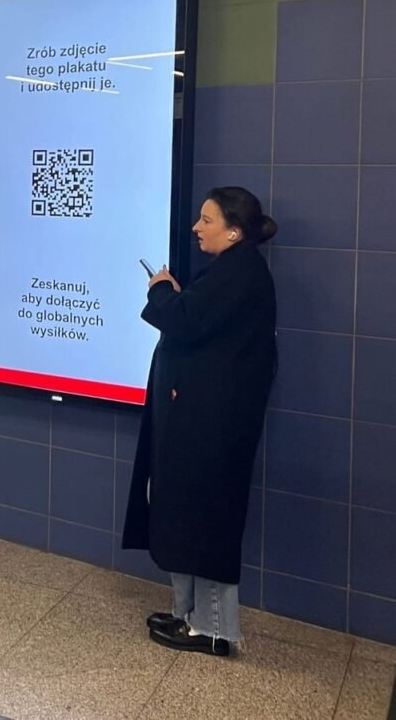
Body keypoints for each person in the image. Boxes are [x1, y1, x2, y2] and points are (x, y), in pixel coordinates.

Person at [122, 186, 278, 657]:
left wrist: (161, 290)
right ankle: (188, 615)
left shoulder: (239, 274)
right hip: (199, 422)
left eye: (207, 220)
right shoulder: (231, 271)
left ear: (234, 231)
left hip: (213, 429)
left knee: (206, 522)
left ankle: (212, 629)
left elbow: (186, 321)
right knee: (185, 517)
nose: (196, 228)